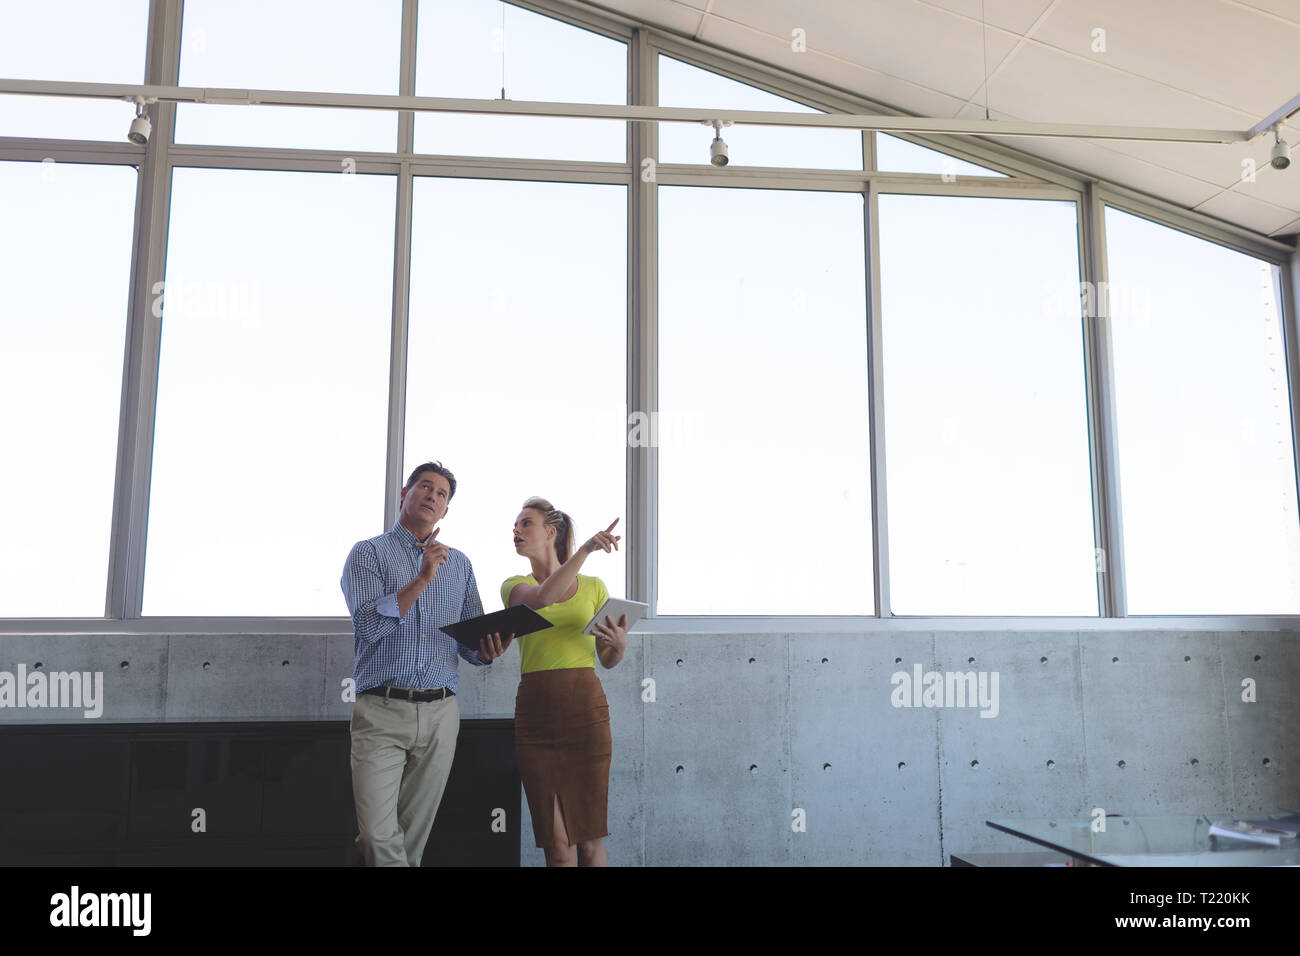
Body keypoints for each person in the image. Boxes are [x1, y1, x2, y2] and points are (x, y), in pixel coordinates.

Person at [340, 460, 513, 867]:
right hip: (381, 712)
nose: (432, 496)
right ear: (404, 493)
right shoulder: (367, 553)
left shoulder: (461, 565)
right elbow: (368, 626)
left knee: (413, 833)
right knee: (376, 834)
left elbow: (471, 643)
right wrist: (421, 578)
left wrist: (487, 650)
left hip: (440, 715)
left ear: (446, 510)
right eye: (424, 487)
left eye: (441, 494)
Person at [501, 497, 628, 867]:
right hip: (535, 717)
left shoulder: (594, 588)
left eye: (525, 523)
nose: (516, 530)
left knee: (589, 841)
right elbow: (544, 597)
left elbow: (606, 660)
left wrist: (618, 648)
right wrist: (587, 548)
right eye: (515, 525)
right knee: (557, 847)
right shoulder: (514, 586)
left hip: (585, 714)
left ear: (550, 532)